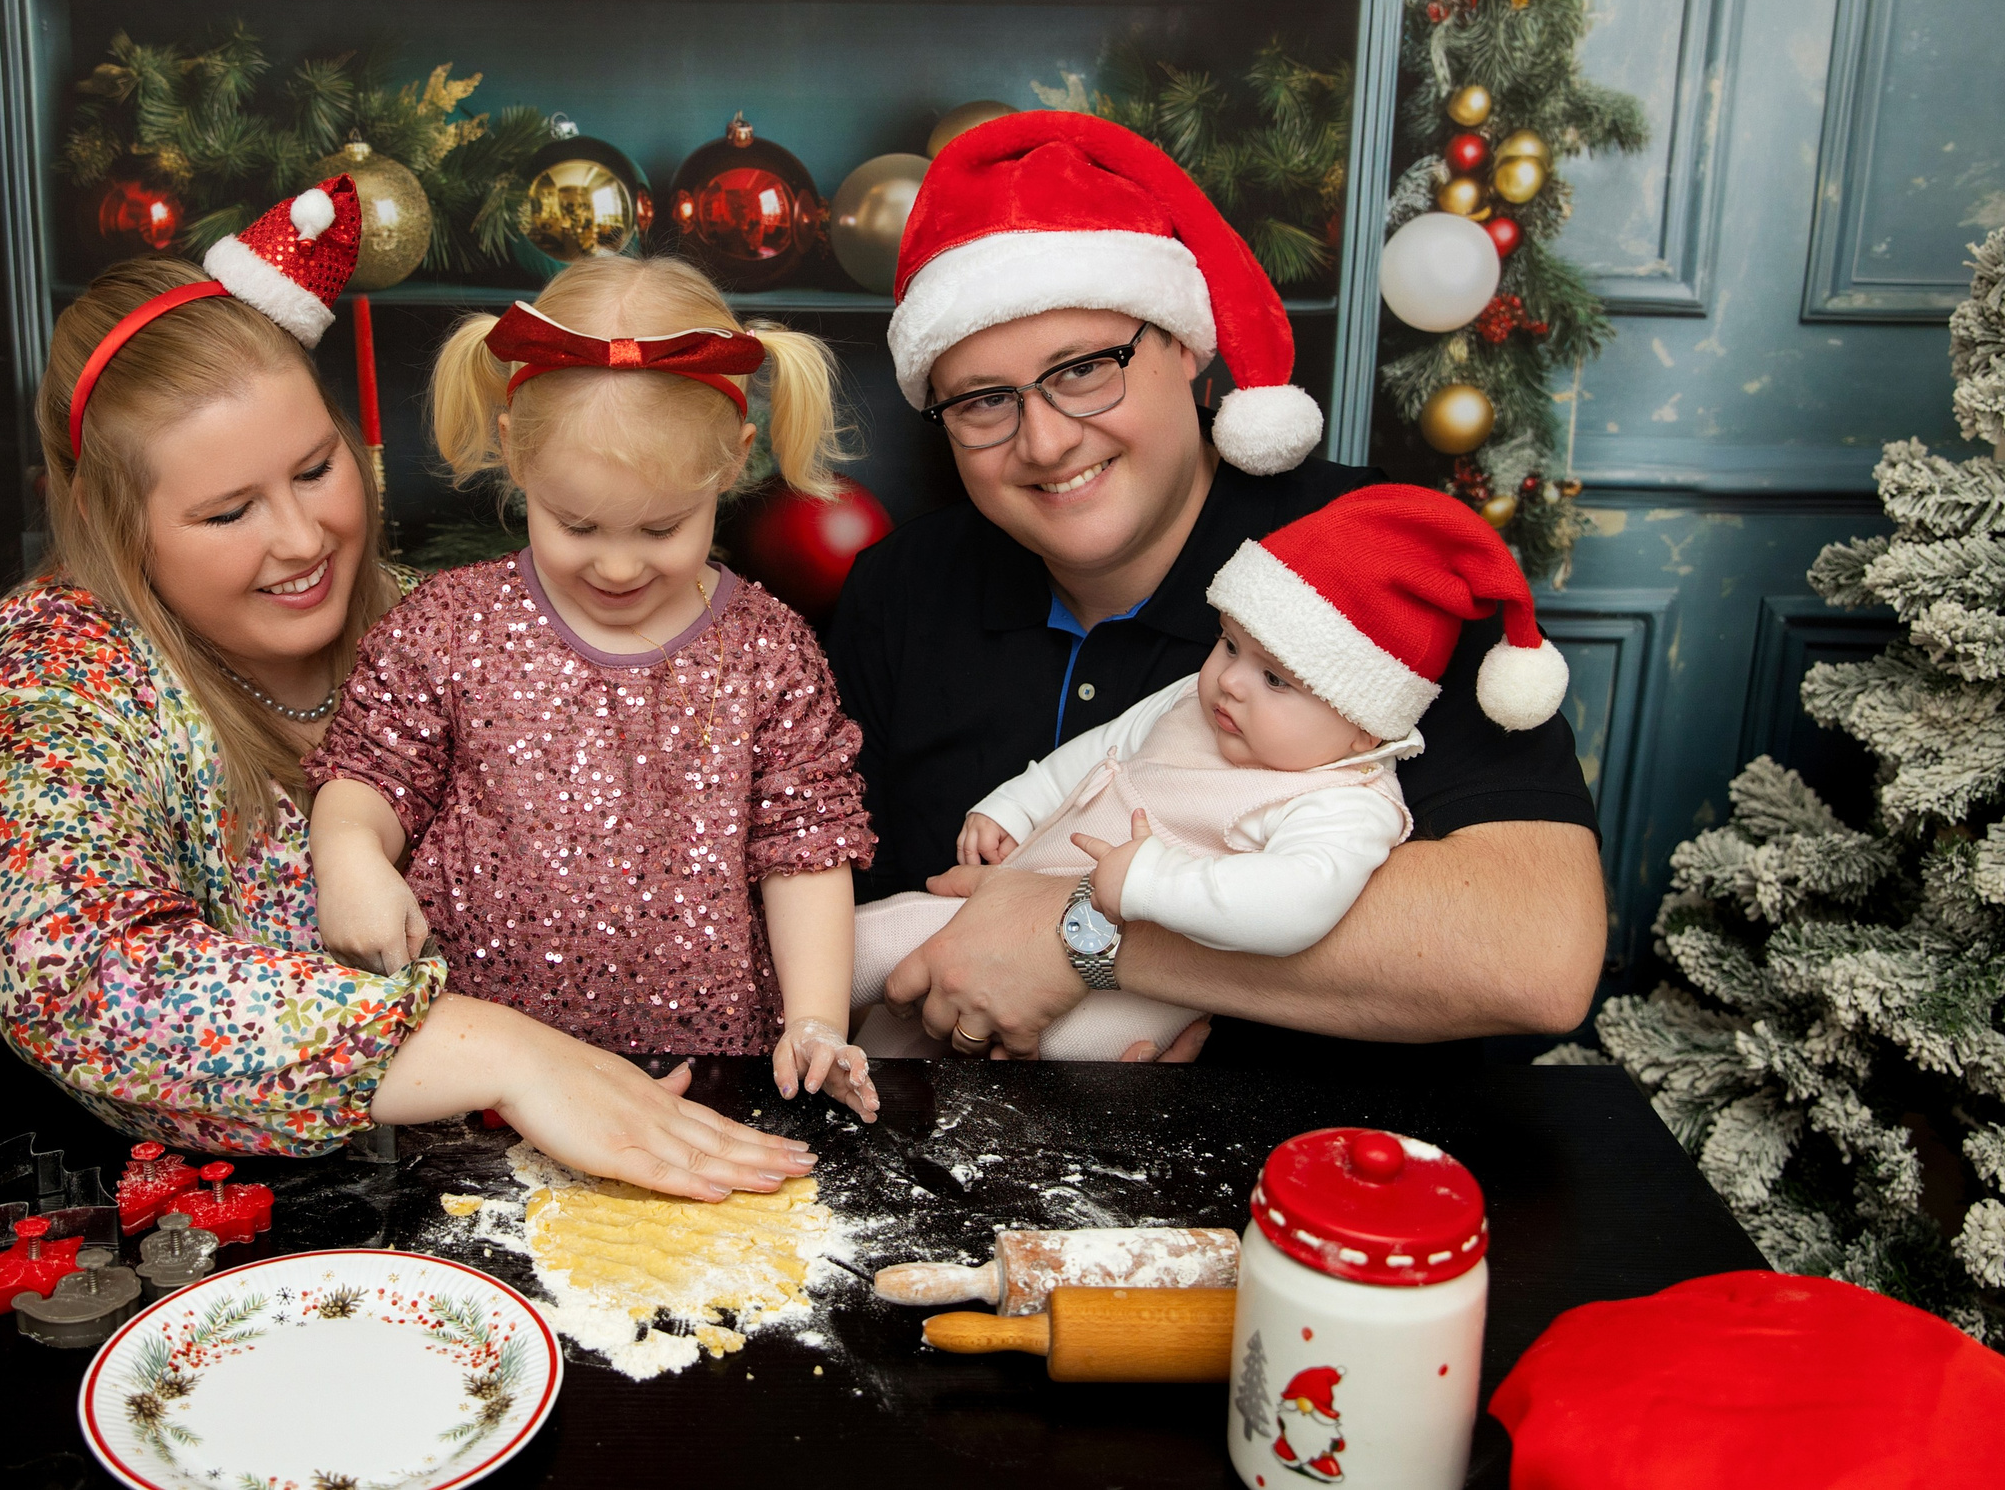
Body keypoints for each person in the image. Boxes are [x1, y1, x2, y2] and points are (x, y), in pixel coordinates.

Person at [0, 183, 812, 1201]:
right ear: (108, 517)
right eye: (227, 514)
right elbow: (75, 977)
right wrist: (504, 1051)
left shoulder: (435, 623)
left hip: (433, 1186)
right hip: (100, 1196)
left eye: (315, 470)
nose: (303, 543)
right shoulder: (51, 675)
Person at [830, 111, 1606, 1065]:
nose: (1044, 441)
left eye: (1084, 370)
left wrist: (1084, 939)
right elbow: (819, 913)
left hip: (1297, 1178)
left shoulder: (1374, 567)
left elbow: (1534, 952)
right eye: (986, 400)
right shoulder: (902, 592)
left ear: (1190, 349)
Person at [303, 255, 881, 1121]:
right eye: (576, 524)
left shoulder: (768, 653)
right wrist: (345, 855)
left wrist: (816, 1018)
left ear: (731, 467)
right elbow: (372, 775)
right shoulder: (449, 626)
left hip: (710, 1076)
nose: (616, 564)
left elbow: (803, 850)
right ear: (514, 454)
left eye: (661, 526)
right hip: (478, 1082)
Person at [850, 483, 1570, 1059]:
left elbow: (1296, 904)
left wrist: (1147, 884)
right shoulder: (1207, 701)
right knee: (885, 936)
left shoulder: (1343, 800)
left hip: (1119, 1000)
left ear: (1364, 721)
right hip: (1001, 907)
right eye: (1228, 645)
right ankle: (811, 1040)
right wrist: (1013, 806)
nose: (1230, 682)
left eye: (1277, 681)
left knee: (1062, 1065)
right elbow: (1100, 747)